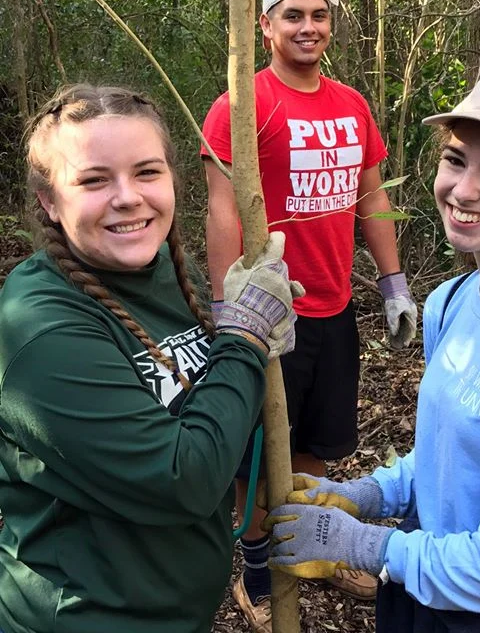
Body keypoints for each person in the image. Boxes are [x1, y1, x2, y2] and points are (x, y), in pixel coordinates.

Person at [267, 73, 480, 632]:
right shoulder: (451, 301)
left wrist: (369, 547)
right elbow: (452, 456)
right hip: (430, 590)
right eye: (456, 160)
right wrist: (368, 495)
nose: (464, 190)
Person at [0, 85, 302, 633]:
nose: (128, 197)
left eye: (146, 172)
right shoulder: (38, 329)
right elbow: (185, 477)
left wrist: (251, 341)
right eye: (94, 180)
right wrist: (245, 339)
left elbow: (212, 408)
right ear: (49, 200)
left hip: (176, 611)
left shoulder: (160, 269)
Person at [201, 0, 417, 628]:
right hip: (269, 309)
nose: (308, 27)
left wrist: (392, 282)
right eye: (293, 15)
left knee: (318, 440)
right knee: (255, 446)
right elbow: (218, 210)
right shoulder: (242, 104)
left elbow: (371, 196)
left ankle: (304, 545)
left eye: (318, 16)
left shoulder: (350, 104)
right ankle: (259, 566)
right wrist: (226, 308)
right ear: (265, 26)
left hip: (332, 304)